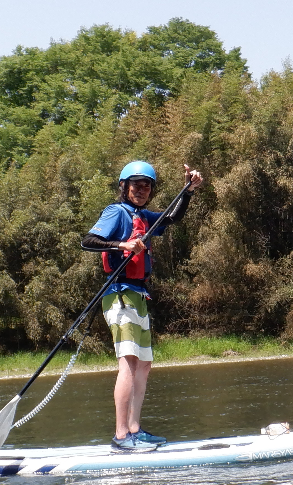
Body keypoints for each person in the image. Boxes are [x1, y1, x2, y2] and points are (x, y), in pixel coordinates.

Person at [81, 161, 204, 450]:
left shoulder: (144, 216)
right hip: (119, 292)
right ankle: (121, 435)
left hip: (139, 295)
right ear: (123, 187)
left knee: (144, 364)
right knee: (129, 362)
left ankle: (135, 430)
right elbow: (88, 241)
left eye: (146, 185)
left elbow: (172, 218)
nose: (141, 189)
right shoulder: (116, 212)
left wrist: (188, 190)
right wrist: (122, 246)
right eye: (135, 185)